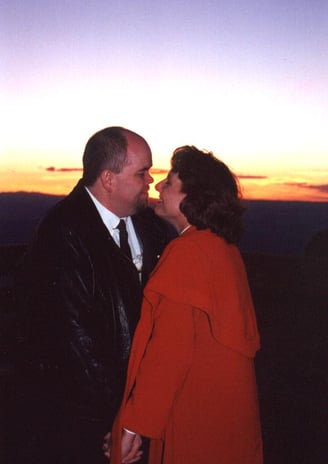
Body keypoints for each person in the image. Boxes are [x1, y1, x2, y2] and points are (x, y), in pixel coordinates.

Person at [10, 127, 173, 464]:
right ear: (108, 179)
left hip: (141, 413)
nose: (151, 182)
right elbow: (77, 345)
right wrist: (123, 423)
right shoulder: (61, 235)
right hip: (87, 427)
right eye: (142, 173)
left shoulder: (152, 226)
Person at [109, 145, 263, 464]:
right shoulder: (222, 249)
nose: (158, 186)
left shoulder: (187, 254)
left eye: (169, 182)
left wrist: (134, 427)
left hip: (198, 418)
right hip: (228, 418)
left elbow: (169, 353)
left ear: (192, 198)